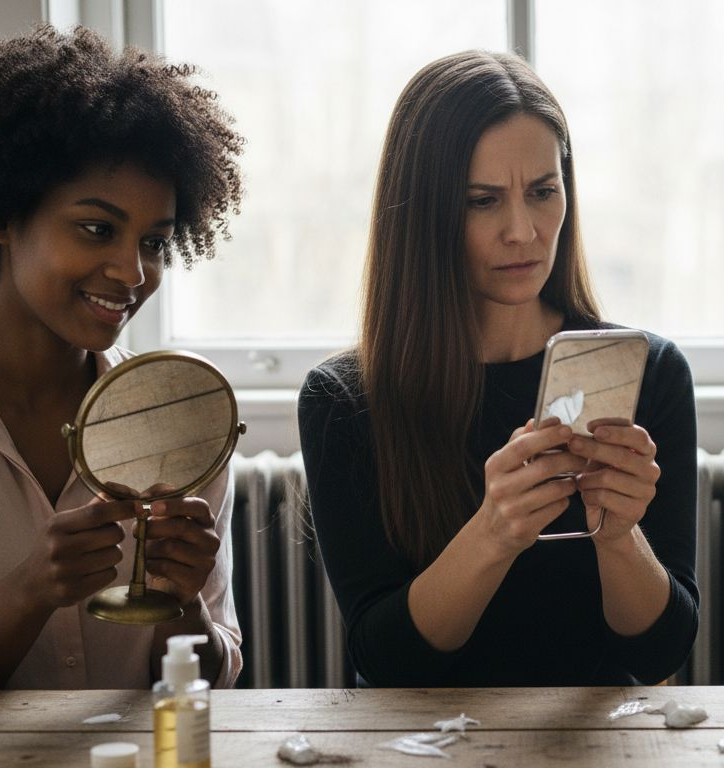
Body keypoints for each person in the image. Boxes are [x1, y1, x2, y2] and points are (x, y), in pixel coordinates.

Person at [298, 50, 699, 687]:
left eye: (543, 192)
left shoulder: (651, 372)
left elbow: (660, 656)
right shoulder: (345, 400)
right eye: (482, 201)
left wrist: (619, 536)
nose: (523, 231)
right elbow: (386, 663)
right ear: (424, 216)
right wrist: (494, 532)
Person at [0, 25, 245, 689]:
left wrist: (182, 599)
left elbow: (214, 677)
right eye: (97, 229)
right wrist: (31, 590)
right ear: (3, 215)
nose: (131, 272)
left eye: (154, 242)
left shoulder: (184, 420)